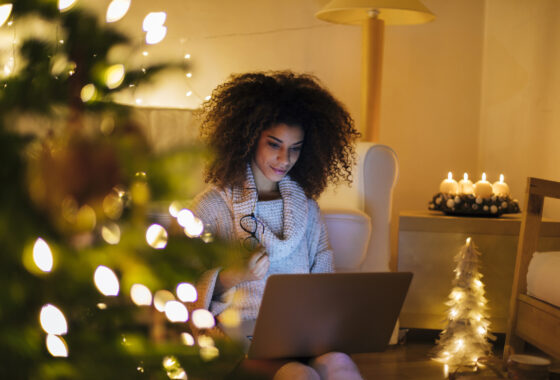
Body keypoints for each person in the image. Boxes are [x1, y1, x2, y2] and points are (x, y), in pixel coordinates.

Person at [191, 71, 362, 379]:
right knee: (298, 375)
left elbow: (323, 279)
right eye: (274, 144)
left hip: (301, 330)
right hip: (238, 332)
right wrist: (231, 277)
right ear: (248, 137)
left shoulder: (308, 209)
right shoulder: (212, 206)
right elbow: (180, 284)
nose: (285, 158)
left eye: (295, 148)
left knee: (341, 365)